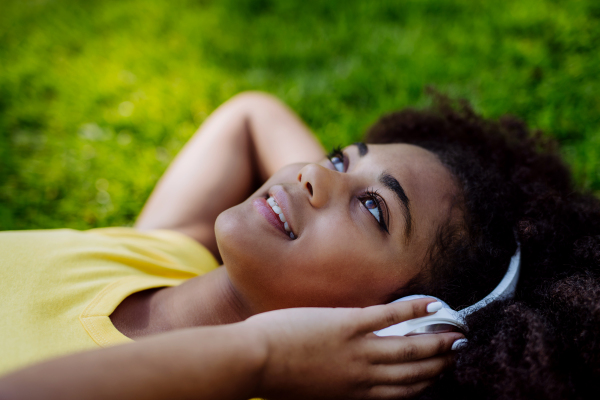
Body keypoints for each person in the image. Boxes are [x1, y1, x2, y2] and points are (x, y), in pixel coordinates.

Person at [1, 90, 599, 399]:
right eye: (341, 156)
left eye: (373, 209)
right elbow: (249, 116)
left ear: (398, 329)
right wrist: (335, 196)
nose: (313, 172)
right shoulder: (165, 253)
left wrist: (264, 357)